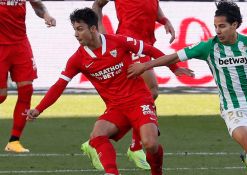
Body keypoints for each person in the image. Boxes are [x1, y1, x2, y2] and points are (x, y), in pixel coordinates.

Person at [127, 1, 247, 175]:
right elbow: (173, 57)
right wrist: (145, 66)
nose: (217, 30)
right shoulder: (208, 47)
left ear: (234, 25)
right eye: (215, 26)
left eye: (222, 26)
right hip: (233, 108)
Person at [26, 8, 193, 175]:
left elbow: (149, 50)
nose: (76, 34)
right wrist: (38, 109)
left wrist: (174, 68)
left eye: (80, 29)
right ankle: (112, 172)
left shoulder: (118, 41)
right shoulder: (77, 59)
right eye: (74, 29)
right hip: (116, 108)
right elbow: (59, 86)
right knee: (97, 135)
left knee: (150, 144)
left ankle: (157, 172)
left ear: (93, 28)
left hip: (139, 100)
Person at [81, 0, 176, 170]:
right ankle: (135, 146)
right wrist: (100, 33)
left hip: (143, 43)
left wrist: (164, 20)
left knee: (146, 92)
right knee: (150, 90)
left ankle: (107, 141)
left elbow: (154, 6)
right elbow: (97, 4)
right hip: (129, 43)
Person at [0, 0, 56, 153]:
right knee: (1, 96)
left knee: (26, 90)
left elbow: (37, 4)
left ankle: (14, 141)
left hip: (20, 44)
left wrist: (46, 15)